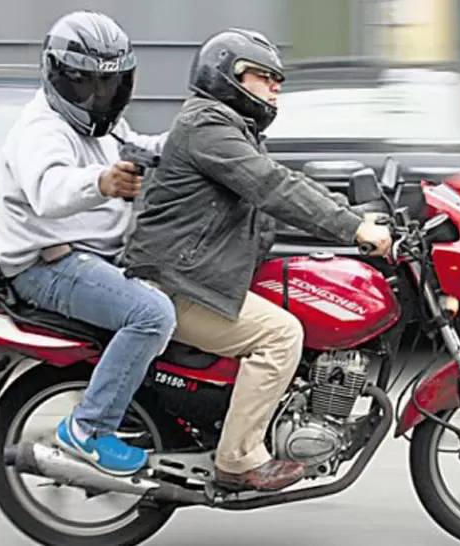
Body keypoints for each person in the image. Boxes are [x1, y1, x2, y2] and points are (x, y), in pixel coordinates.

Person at [122, 28, 392, 492]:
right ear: (229, 76)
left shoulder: (228, 129)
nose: (275, 88)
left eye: (277, 79)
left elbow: (280, 186)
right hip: (176, 281)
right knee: (282, 335)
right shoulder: (207, 126)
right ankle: (238, 459)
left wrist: (352, 216)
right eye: (264, 77)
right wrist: (354, 229)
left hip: (197, 273)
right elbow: (272, 188)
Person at [0, 11, 176, 477]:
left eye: (110, 84)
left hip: (95, 254)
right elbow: (49, 191)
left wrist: (197, 141)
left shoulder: (104, 123)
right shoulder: (42, 128)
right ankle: (89, 429)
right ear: (58, 76)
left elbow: (140, 149)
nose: (100, 95)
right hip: (46, 265)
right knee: (151, 314)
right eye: (87, 84)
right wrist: (103, 182)